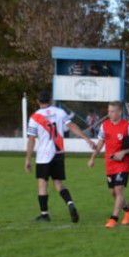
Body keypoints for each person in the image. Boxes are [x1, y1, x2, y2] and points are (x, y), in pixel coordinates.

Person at [24, 90, 95, 222]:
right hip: (58, 153)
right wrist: (87, 139)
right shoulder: (59, 112)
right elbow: (72, 126)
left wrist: (27, 159)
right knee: (58, 184)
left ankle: (44, 215)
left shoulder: (35, 117)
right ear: (50, 100)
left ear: (38, 102)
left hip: (44, 156)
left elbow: (32, 139)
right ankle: (70, 203)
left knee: (42, 184)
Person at [88, 101, 129, 228]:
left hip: (123, 164)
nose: (109, 113)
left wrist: (124, 152)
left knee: (118, 189)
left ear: (119, 112)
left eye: (112, 111)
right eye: (108, 111)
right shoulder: (104, 125)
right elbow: (100, 143)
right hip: (110, 164)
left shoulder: (128, 126)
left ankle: (114, 219)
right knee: (113, 192)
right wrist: (93, 157)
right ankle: (128, 210)